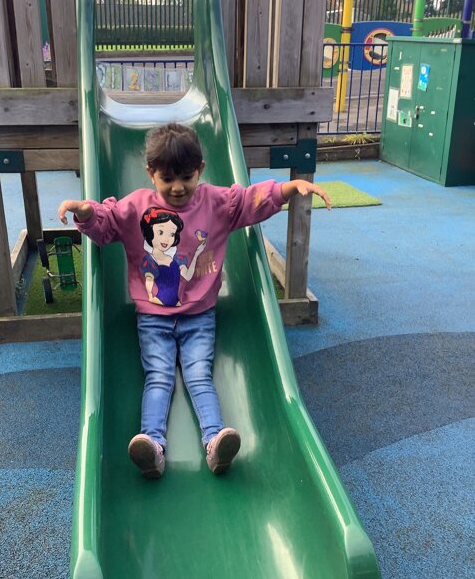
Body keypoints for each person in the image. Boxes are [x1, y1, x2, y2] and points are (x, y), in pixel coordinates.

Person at [58, 123, 331, 479]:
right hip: (153, 317)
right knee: (159, 377)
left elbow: (249, 201)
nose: (177, 187)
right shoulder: (136, 207)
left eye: (186, 177)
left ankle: (215, 441)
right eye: (167, 178)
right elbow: (106, 224)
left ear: (200, 169)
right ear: (151, 173)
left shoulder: (216, 203)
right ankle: (153, 445)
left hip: (200, 316)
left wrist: (287, 189)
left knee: (199, 375)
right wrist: (85, 212)